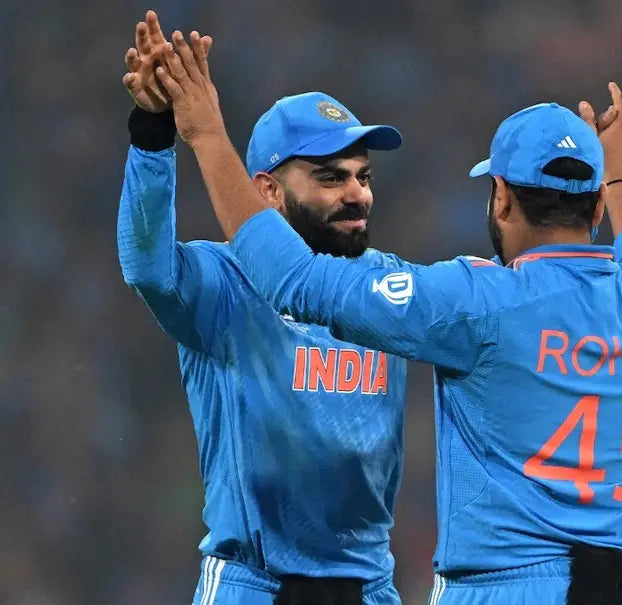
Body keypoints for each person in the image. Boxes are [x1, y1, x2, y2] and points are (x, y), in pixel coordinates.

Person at [154, 30, 622, 604]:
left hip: (503, 589)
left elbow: (296, 279)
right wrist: (617, 178)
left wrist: (207, 135)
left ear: (501, 199)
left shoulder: (475, 301)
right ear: (596, 207)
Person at [119, 12, 409, 605]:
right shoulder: (224, 280)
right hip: (256, 583)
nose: (356, 193)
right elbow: (147, 266)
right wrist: (154, 136)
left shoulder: (395, 284)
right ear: (268, 191)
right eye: (330, 177)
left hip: (369, 585)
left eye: (363, 176)